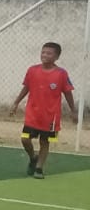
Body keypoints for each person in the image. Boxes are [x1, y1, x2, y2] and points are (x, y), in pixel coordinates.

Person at [10, 42, 76, 179]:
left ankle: (39, 168)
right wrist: (16, 102)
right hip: (33, 114)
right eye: (43, 52)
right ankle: (33, 157)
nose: (44, 55)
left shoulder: (61, 74)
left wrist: (73, 111)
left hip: (50, 116)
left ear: (56, 57)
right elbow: (26, 87)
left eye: (49, 53)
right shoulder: (32, 70)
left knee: (44, 142)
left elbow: (68, 93)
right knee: (25, 139)